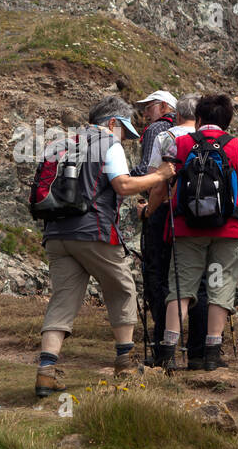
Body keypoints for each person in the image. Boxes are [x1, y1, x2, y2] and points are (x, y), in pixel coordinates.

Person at [33, 96, 175, 398]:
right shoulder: (108, 143)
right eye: (124, 130)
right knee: (122, 288)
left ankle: (46, 370)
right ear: (112, 123)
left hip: (57, 233)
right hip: (93, 231)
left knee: (63, 299)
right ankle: (125, 361)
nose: (125, 138)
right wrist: (160, 175)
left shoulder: (59, 143)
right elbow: (122, 185)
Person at [152, 94, 238, 372]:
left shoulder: (181, 143)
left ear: (198, 119)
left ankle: (169, 352)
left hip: (187, 228)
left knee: (181, 288)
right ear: (228, 120)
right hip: (228, 230)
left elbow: (163, 184)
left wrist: (150, 209)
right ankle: (211, 352)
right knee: (219, 287)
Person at [139, 93, 210, 366]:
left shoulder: (165, 138)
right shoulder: (210, 140)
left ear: (177, 114)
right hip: (200, 217)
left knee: (161, 279)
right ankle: (199, 352)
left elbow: (155, 181)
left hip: (167, 213)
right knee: (199, 283)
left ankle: (163, 349)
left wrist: (149, 210)